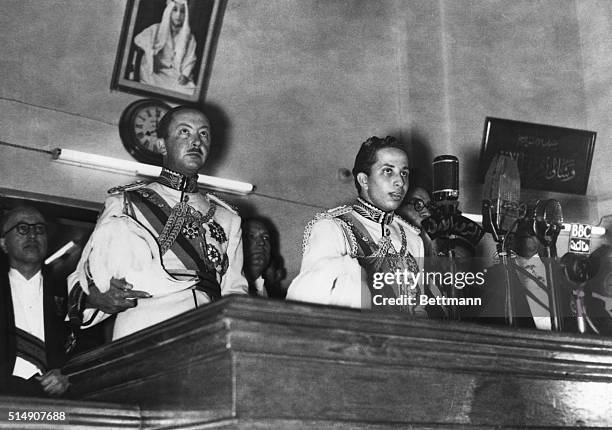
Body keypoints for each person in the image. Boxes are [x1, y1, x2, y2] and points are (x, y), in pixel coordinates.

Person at [68, 106, 248, 340]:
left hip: (205, 333)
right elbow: (83, 276)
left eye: (204, 134)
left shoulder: (228, 218)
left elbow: (235, 293)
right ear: (162, 144)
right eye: (185, 132)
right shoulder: (127, 202)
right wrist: (98, 296)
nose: (196, 142)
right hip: (142, 327)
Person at [287, 136, 425, 314]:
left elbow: (419, 305)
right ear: (364, 180)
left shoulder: (413, 239)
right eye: (388, 171)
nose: (400, 182)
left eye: (404, 173)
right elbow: (311, 297)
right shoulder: (333, 227)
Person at [0, 206, 71, 397]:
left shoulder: (68, 291)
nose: (32, 235)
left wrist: (67, 375)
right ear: (4, 243)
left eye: (39, 229)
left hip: (52, 403)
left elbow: (83, 348)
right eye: (22, 228)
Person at [478, 218, 575, 330]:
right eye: (522, 225)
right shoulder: (492, 276)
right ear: (509, 237)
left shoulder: (564, 276)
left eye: (533, 225)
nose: (528, 229)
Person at [133, 0, 197, 94]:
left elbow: (191, 58)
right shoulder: (156, 28)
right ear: (169, 11)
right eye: (175, 10)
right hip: (155, 72)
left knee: (189, 91)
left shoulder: (189, 37)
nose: (178, 15)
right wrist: (150, 49)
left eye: (182, 11)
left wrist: (185, 74)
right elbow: (138, 39)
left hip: (174, 74)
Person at [242, 217, 286, 298]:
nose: (262, 242)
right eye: (251, 236)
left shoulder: (274, 297)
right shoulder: (221, 287)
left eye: (265, 237)